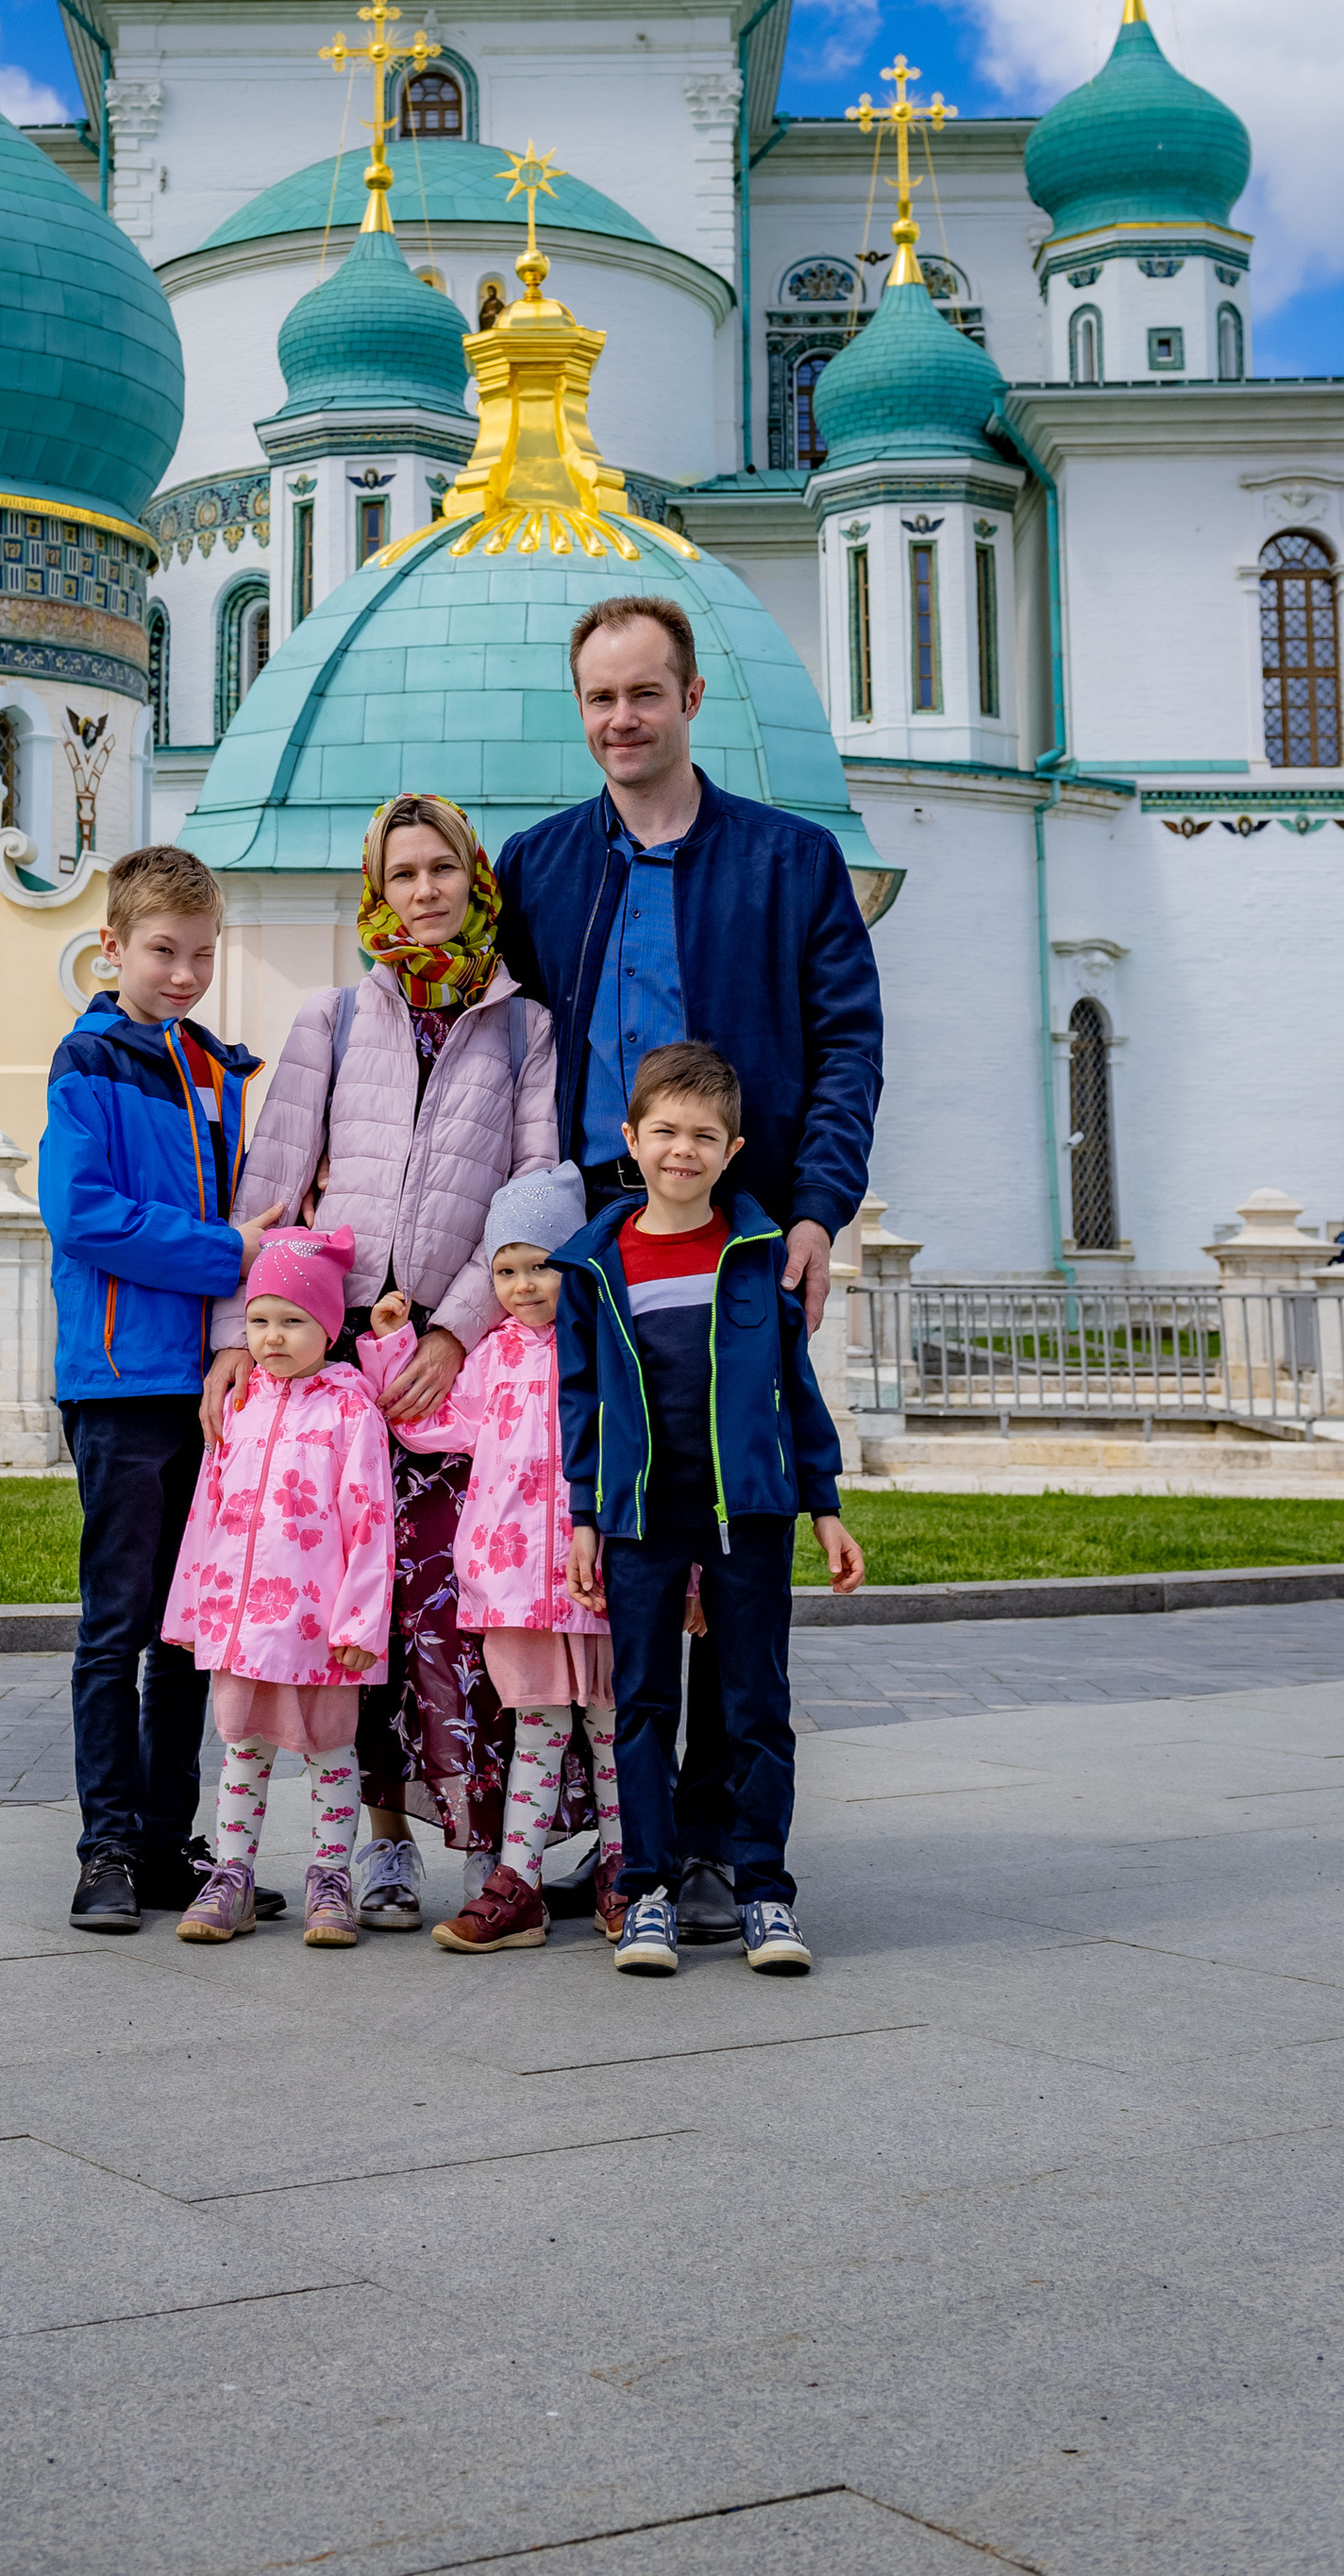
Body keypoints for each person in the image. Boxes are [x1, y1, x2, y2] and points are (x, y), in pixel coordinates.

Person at [497, 592, 881, 1946]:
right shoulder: (540, 865)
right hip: (598, 1247)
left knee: (731, 1532)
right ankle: (625, 1839)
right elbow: (496, 1042)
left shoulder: (788, 861)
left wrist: (818, 1210)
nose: (622, 719)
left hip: (737, 1234)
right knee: (618, 1541)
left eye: (644, 693)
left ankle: (717, 1844)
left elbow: (847, 1045)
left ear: (692, 698)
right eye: (599, 698)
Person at [205, 793, 560, 1929]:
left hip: (459, 1359)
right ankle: (380, 1843)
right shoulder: (333, 1019)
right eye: (400, 874)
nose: (422, 892)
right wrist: (237, 1340)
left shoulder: (522, 1026)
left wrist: (457, 1330)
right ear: (375, 889)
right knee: (345, 1604)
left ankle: (486, 1846)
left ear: (473, 878)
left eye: (440, 869)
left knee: (452, 1605)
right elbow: (269, 1188)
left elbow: (535, 1191)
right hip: (339, 1353)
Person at [558, 1038, 865, 1979]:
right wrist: (584, 1515)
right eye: (664, 1132)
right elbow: (580, 1400)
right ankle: (646, 1890)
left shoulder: (760, 1254)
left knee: (755, 1707)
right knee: (643, 1707)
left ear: (731, 1151)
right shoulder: (596, 1264)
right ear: (630, 1138)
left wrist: (823, 1506)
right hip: (641, 1519)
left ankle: (762, 1891)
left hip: (752, 1515)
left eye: (701, 1136)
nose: (681, 1151)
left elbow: (795, 1389)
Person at [40, 844, 290, 1935]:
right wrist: (225, 1252)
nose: (183, 973)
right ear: (112, 946)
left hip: (211, 1387)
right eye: (161, 951)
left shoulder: (216, 1069)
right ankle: (105, 1847)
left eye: (201, 953)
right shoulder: (86, 1060)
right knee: (118, 1627)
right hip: (120, 1385)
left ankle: (164, 1843)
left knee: (187, 1632)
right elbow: (82, 1214)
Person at [360, 1162, 626, 1955]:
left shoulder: (609, 1348)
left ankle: (625, 1870)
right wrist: (392, 1346)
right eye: (505, 1271)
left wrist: (681, 1574)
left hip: (601, 1579)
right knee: (537, 1730)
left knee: (611, 1730)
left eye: (540, 1265)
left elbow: (649, 1456)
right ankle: (518, 1884)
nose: (522, 1286)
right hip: (510, 1586)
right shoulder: (491, 1356)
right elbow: (425, 1424)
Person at [164, 1228, 397, 1948]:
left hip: (320, 1628)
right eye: (259, 1320)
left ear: (327, 1326)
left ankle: (331, 1878)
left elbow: (372, 1520)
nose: (272, 1337)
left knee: (330, 1752)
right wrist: (191, 1611)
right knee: (242, 1750)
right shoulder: (239, 1405)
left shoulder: (351, 1410)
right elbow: (207, 1510)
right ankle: (232, 1876)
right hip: (241, 1625)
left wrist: (361, 1624)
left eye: (293, 1320)